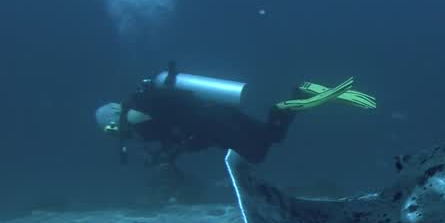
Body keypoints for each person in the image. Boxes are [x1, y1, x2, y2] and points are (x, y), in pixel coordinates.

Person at [96, 62, 376, 166]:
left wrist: (163, 154)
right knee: (273, 136)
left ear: (112, 120)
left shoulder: (132, 116)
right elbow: (174, 123)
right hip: (219, 112)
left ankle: (289, 102)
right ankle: (297, 94)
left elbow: (171, 132)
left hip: (213, 124)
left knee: (257, 153)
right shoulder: (143, 103)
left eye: (110, 129)